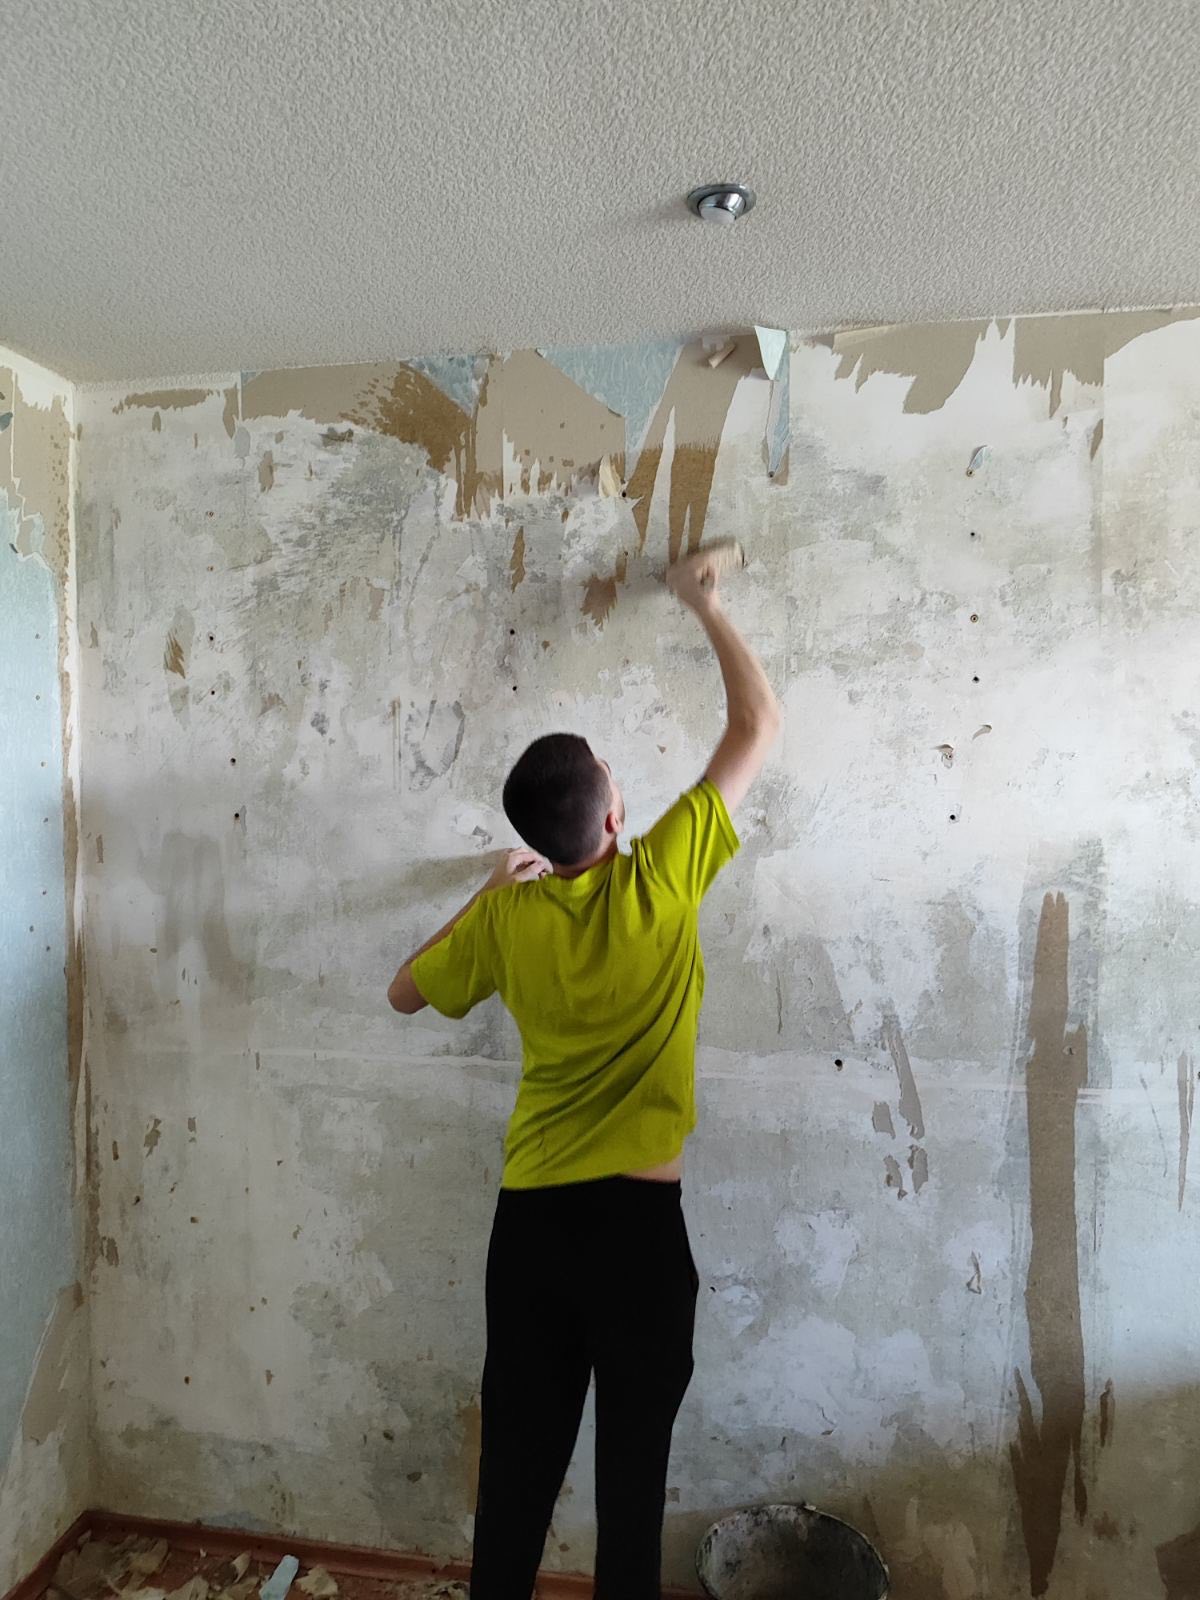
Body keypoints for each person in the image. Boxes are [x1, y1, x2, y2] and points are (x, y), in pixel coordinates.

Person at [387, 546, 781, 1599]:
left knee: (515, 1478)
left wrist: (490, 894)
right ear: (613, 818)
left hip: (532, 1231)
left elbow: (404, 992)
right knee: (630, 1492)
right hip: (639, 1237)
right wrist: (704, 600)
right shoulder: (662, 878)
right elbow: (755, 727)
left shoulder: (508, 920)